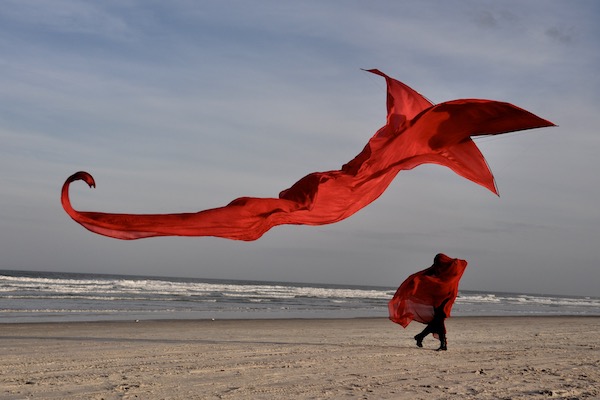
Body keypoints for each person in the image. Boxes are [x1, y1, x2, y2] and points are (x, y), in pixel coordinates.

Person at [388, 253, 468, 351]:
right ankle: (440, 344)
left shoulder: (449, 271)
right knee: (439, 321)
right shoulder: (437, 271)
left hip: (446, 298)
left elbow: (463, 263)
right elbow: (421, 278)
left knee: (438, 320)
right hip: (438, 299)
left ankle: (422, 337)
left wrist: (454, 261)